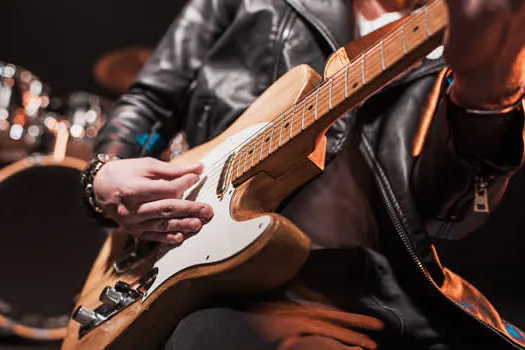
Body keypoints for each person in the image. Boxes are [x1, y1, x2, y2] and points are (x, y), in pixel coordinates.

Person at [80, 0, 525, 348]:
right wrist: (105, 173)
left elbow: (452, 216)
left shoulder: (472, 23)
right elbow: (151, 100)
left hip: (392, 291)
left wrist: (487, 101)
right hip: (237, 289)